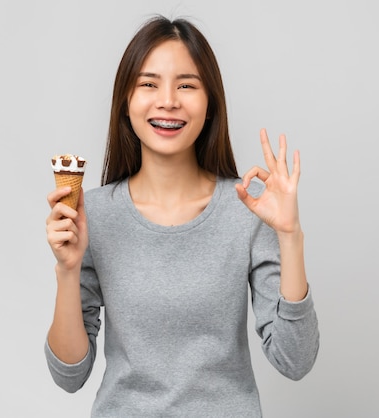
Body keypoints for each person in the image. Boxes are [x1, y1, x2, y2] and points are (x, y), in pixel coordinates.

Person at [44, 15, 319, 417]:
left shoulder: (249, 206)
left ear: (210, 104)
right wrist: (68, 270)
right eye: (149, 83)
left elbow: (294, 360)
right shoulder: (93, 214)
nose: (168, 100)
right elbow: (70, 376)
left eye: (187, 85)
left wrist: (291, 235)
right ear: (126, 101)